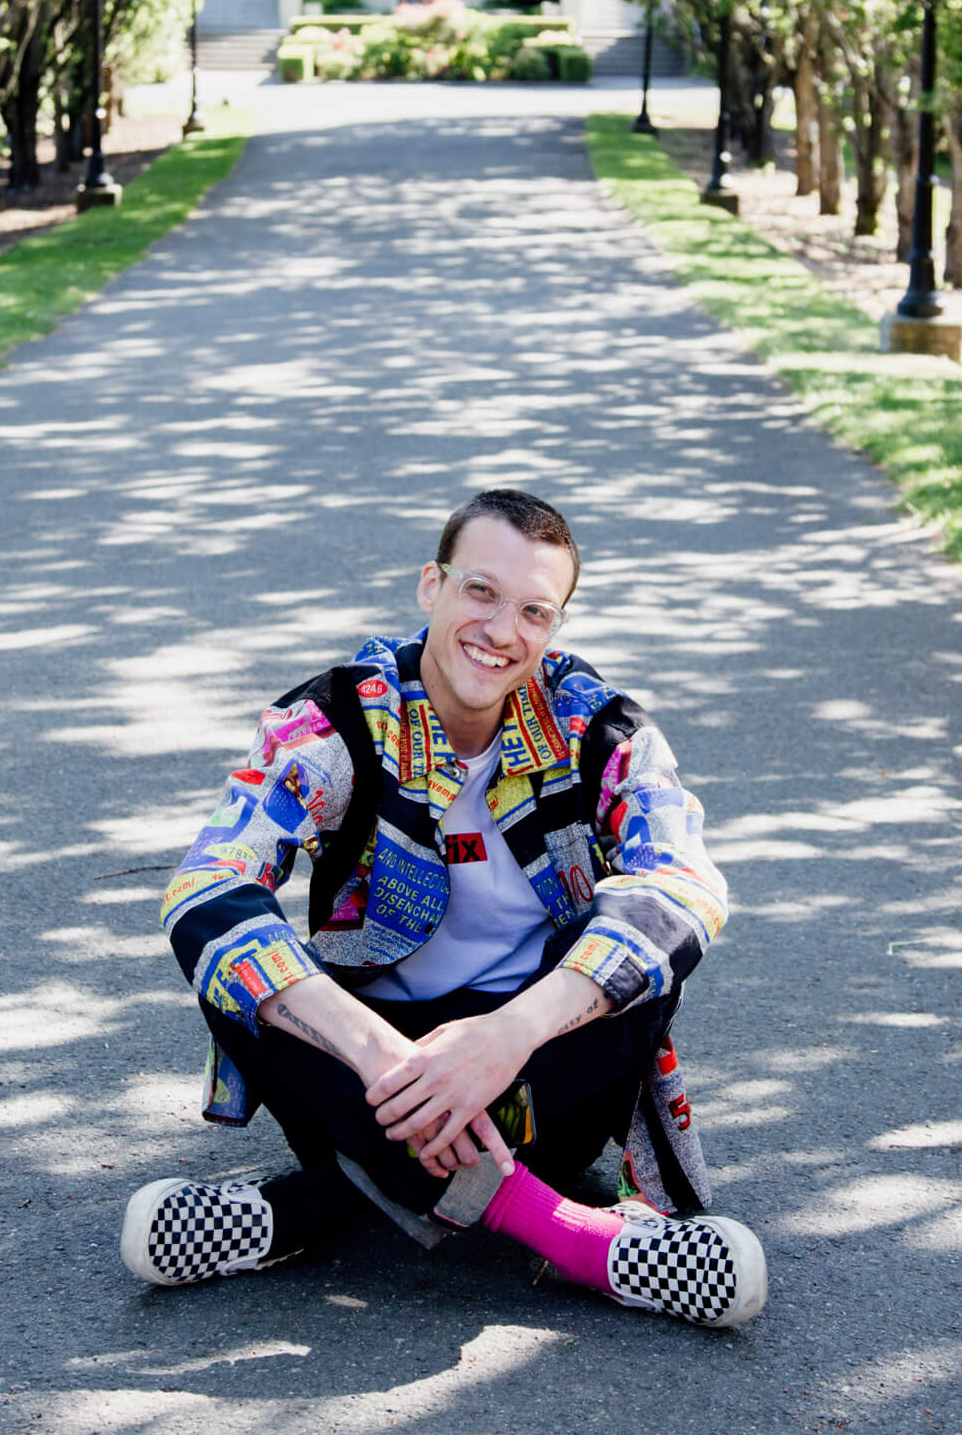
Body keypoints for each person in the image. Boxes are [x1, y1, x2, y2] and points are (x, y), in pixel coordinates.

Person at [119, 488, 766, 1330]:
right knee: (234, 959)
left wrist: (506, 1037)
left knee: (638, 956)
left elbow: (682, 883)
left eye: (535, 610)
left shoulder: (598, 727)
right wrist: (386, 1058)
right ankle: (574, 1237)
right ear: (433, 585)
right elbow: (208, 882)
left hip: (533, 1061)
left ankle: (311, 1206)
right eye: (481, 592)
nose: (502, 631)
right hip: (368, 1063)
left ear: (556, 626)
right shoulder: (334, 720)